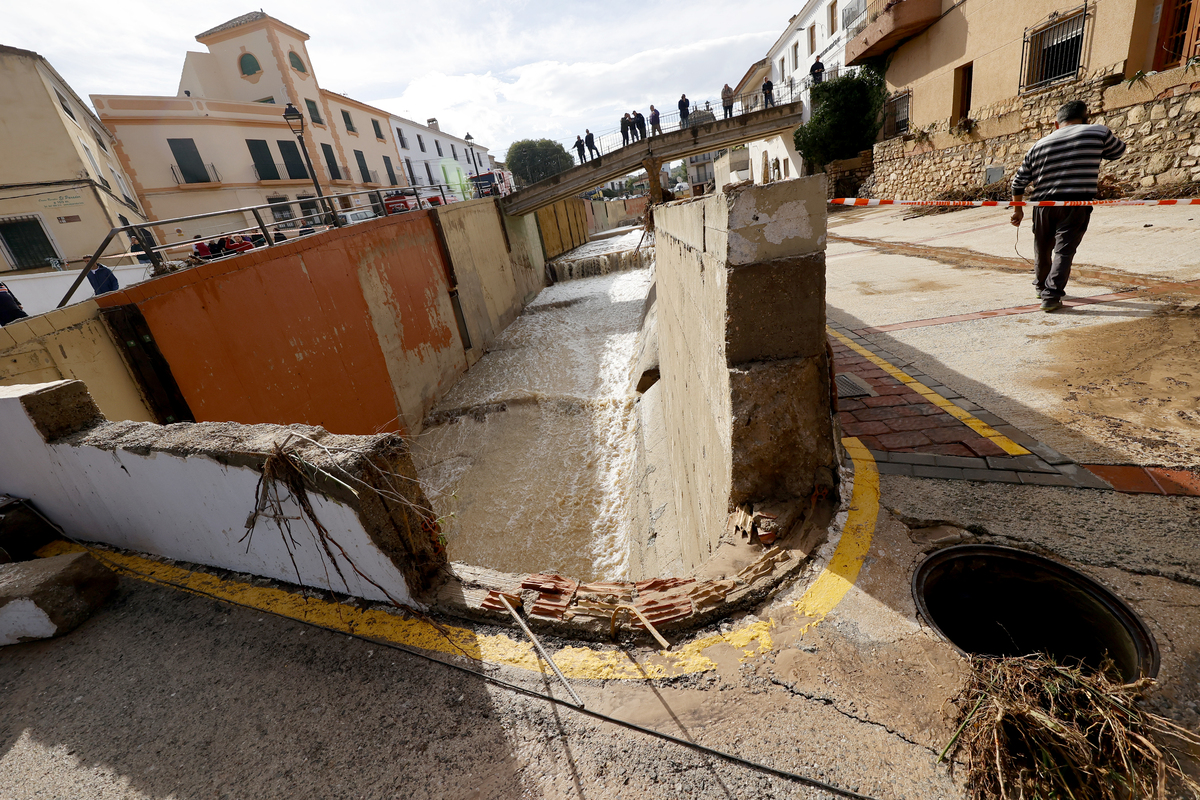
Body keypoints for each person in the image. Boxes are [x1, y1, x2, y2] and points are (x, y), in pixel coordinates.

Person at [1011, 100, 1126, 312]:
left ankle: (1040, 286)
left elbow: (1017, 182)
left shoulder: (1038, 145)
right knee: (1064, 250)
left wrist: (1018, 210)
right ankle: (1051, 296)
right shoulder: (1097, 132)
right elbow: (1117, 152)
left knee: (1042, 248)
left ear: (1057, 124)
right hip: (1075, 203)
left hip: (1043, 205)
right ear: (1086, 119)